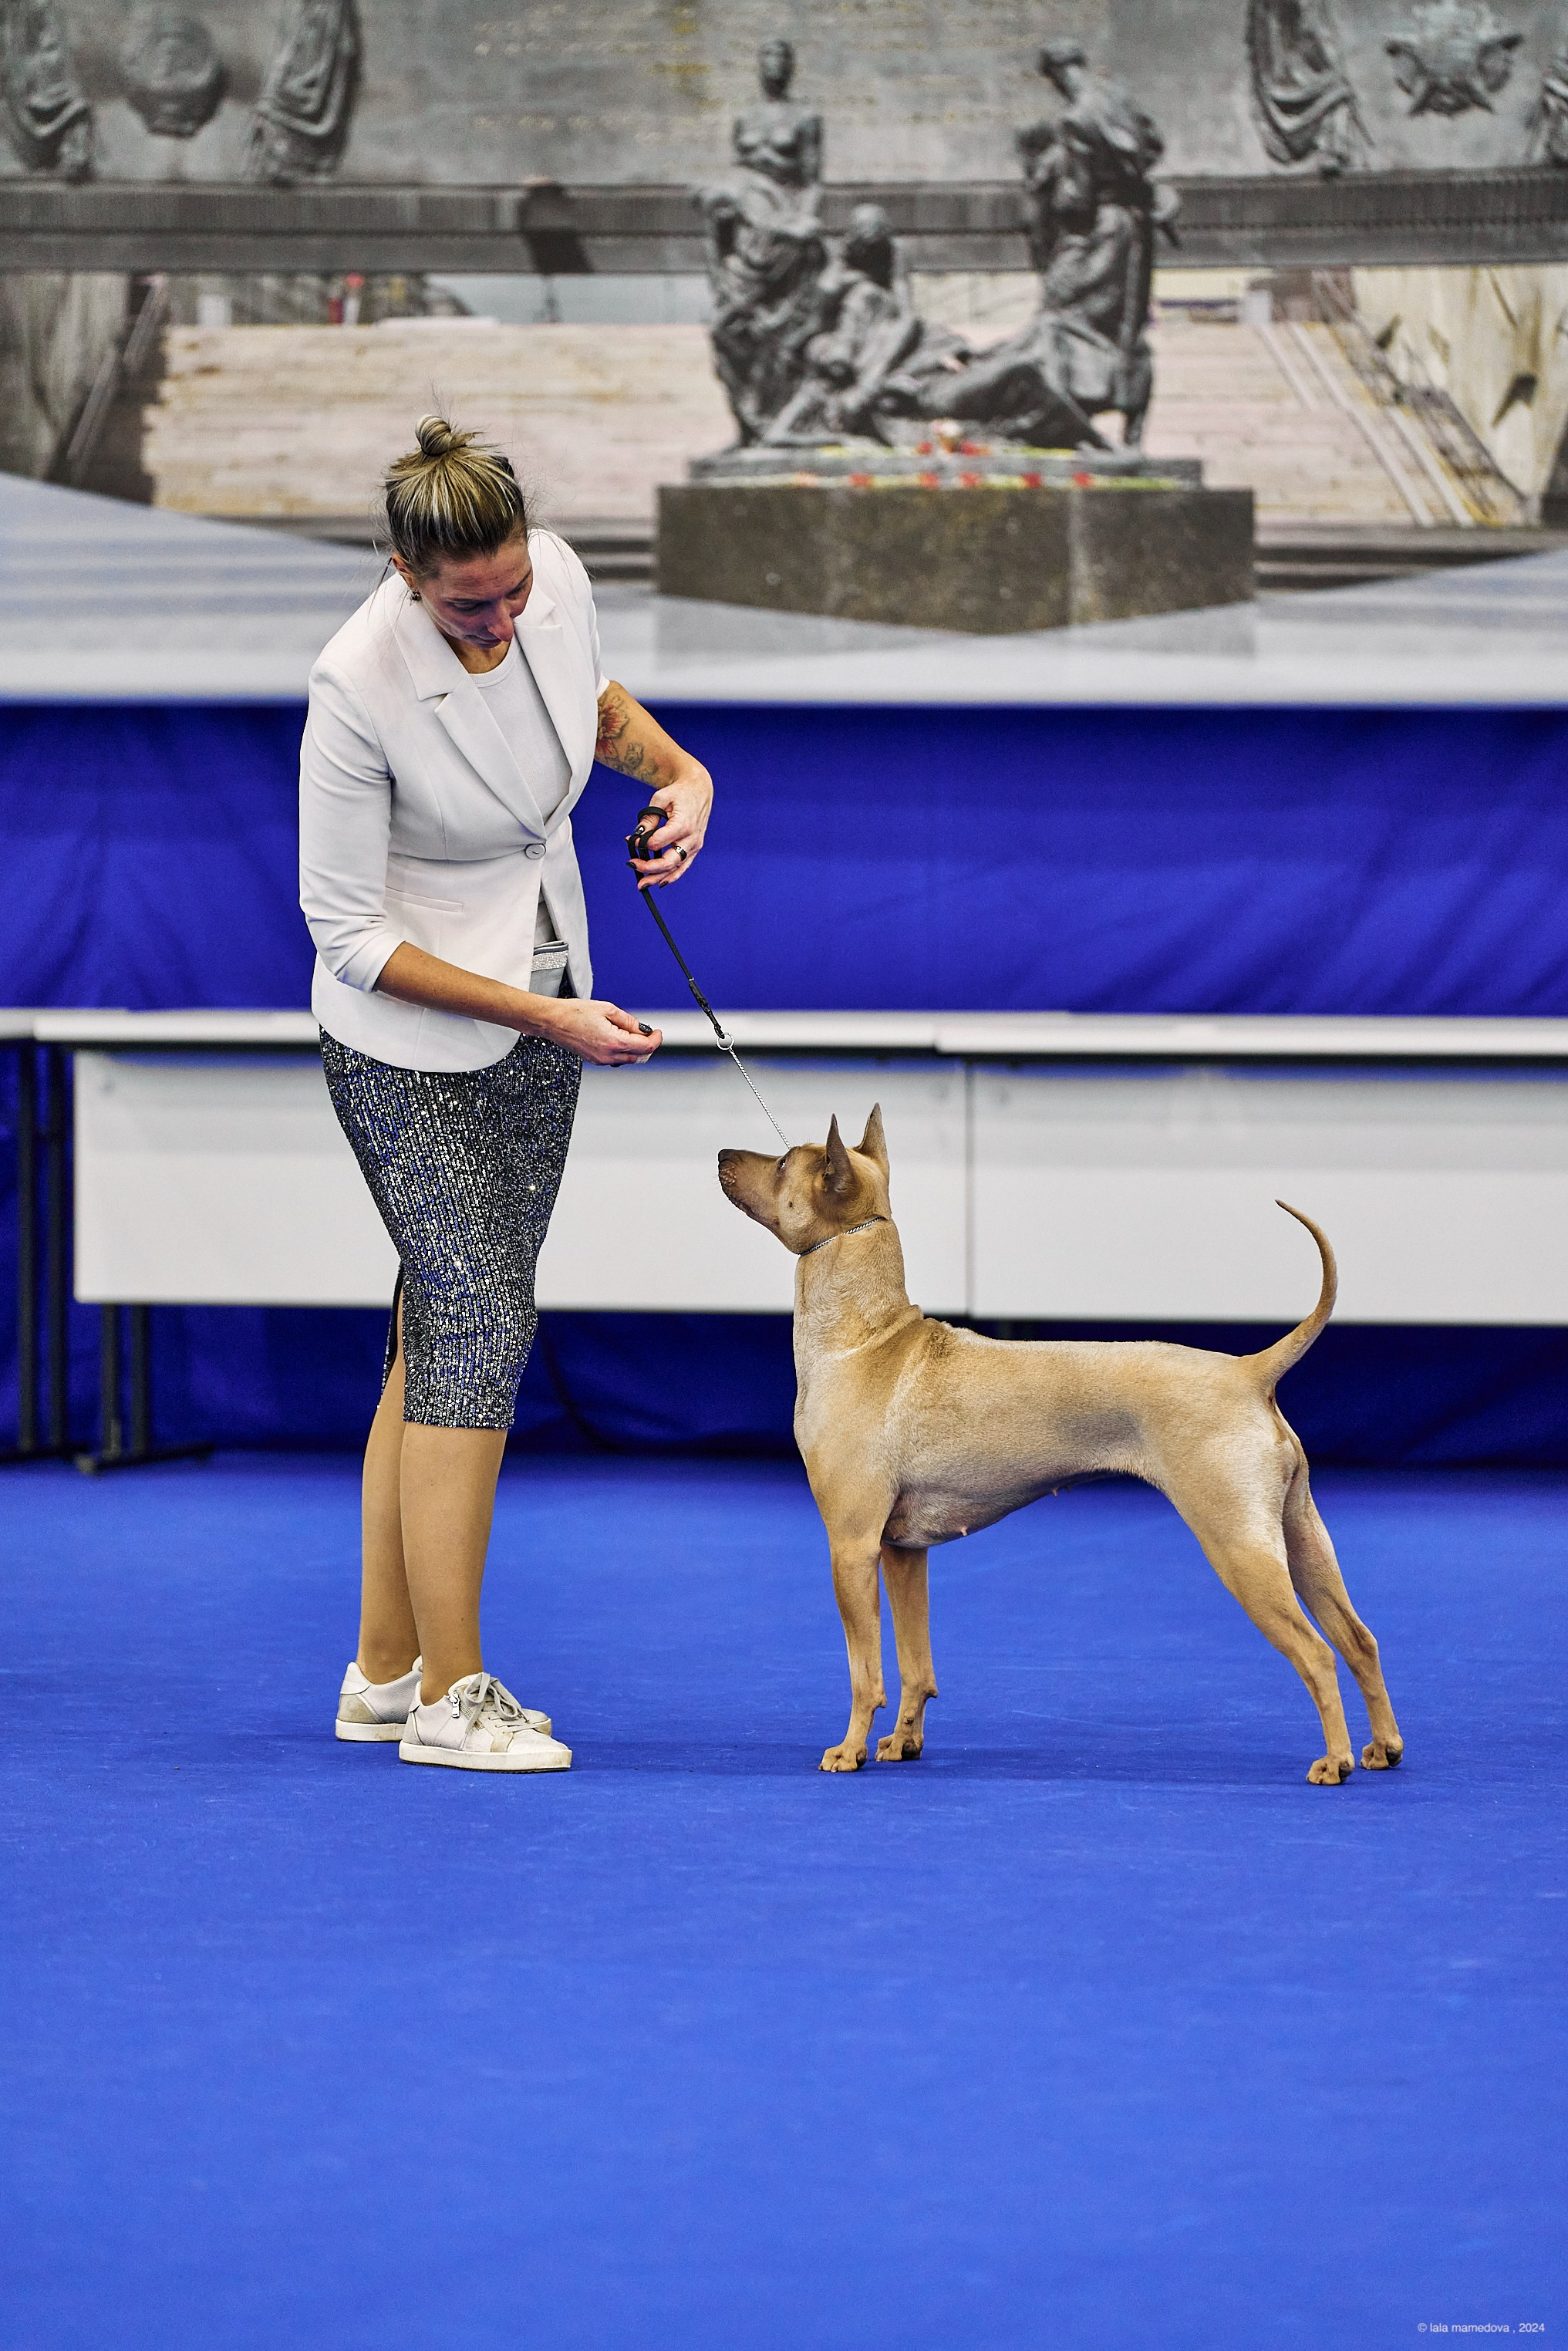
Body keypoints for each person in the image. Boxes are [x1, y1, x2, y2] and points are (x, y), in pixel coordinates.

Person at [298, 415, 713, 1773]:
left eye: (513, 589)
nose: (500, 616)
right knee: (481, 1315)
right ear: (408, 576)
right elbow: (346, 934)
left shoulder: (555, 581)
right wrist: (544, 1011)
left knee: (438, 1330)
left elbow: (588, 706)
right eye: (467, 603)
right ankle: (451, 1697)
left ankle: (381, 1668)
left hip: (550, 1004)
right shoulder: (354, 683)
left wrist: (682, 774)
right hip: (406, 1043)